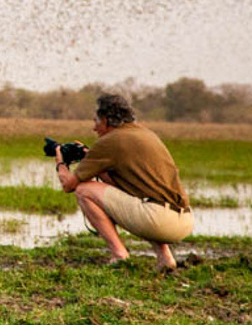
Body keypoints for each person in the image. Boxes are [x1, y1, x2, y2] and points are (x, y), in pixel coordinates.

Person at [54, 93, 193, 271]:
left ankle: (119, 254)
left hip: (158, 220)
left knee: (84, 190)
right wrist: (91, 159)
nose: (94, 128)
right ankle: (165, 258)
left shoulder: (109, 141)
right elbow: (120, 187)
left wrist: (60, 160)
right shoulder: (145, 134)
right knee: (144, 195)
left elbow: (68, 186)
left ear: (105, 121)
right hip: (184, 221)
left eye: (95, 121)